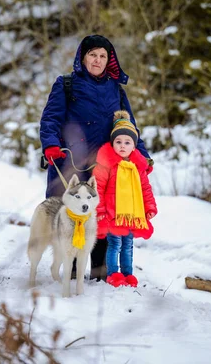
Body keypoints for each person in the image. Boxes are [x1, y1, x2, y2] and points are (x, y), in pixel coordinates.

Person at [39, 34, 153, 281]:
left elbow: (129, 126)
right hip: (69, 162)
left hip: (106, 165)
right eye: (93, 55)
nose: (97, 60)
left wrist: (142, 156)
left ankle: (100, 272)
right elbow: (50, 119)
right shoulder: (66, 84)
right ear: (83, 57)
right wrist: (50, 145)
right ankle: (68, 269)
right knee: (68, 214)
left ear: (109, 60)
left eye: (103, 56)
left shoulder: (116, 90)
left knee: (102, 214)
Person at [92, 110, 157, 287]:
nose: (122, 146)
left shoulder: (138, 167)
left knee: (128, 246)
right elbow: (97, 188)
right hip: (114, 213)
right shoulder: (106, 164)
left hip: (132, 214)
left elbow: (145, 188)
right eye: (118, 142)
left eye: (127, 142)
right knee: (114, 245)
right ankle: (114, 274)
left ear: (134, 146)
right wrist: (100, 210)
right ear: (112, 143)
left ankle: (128, 275)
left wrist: (149, 208)